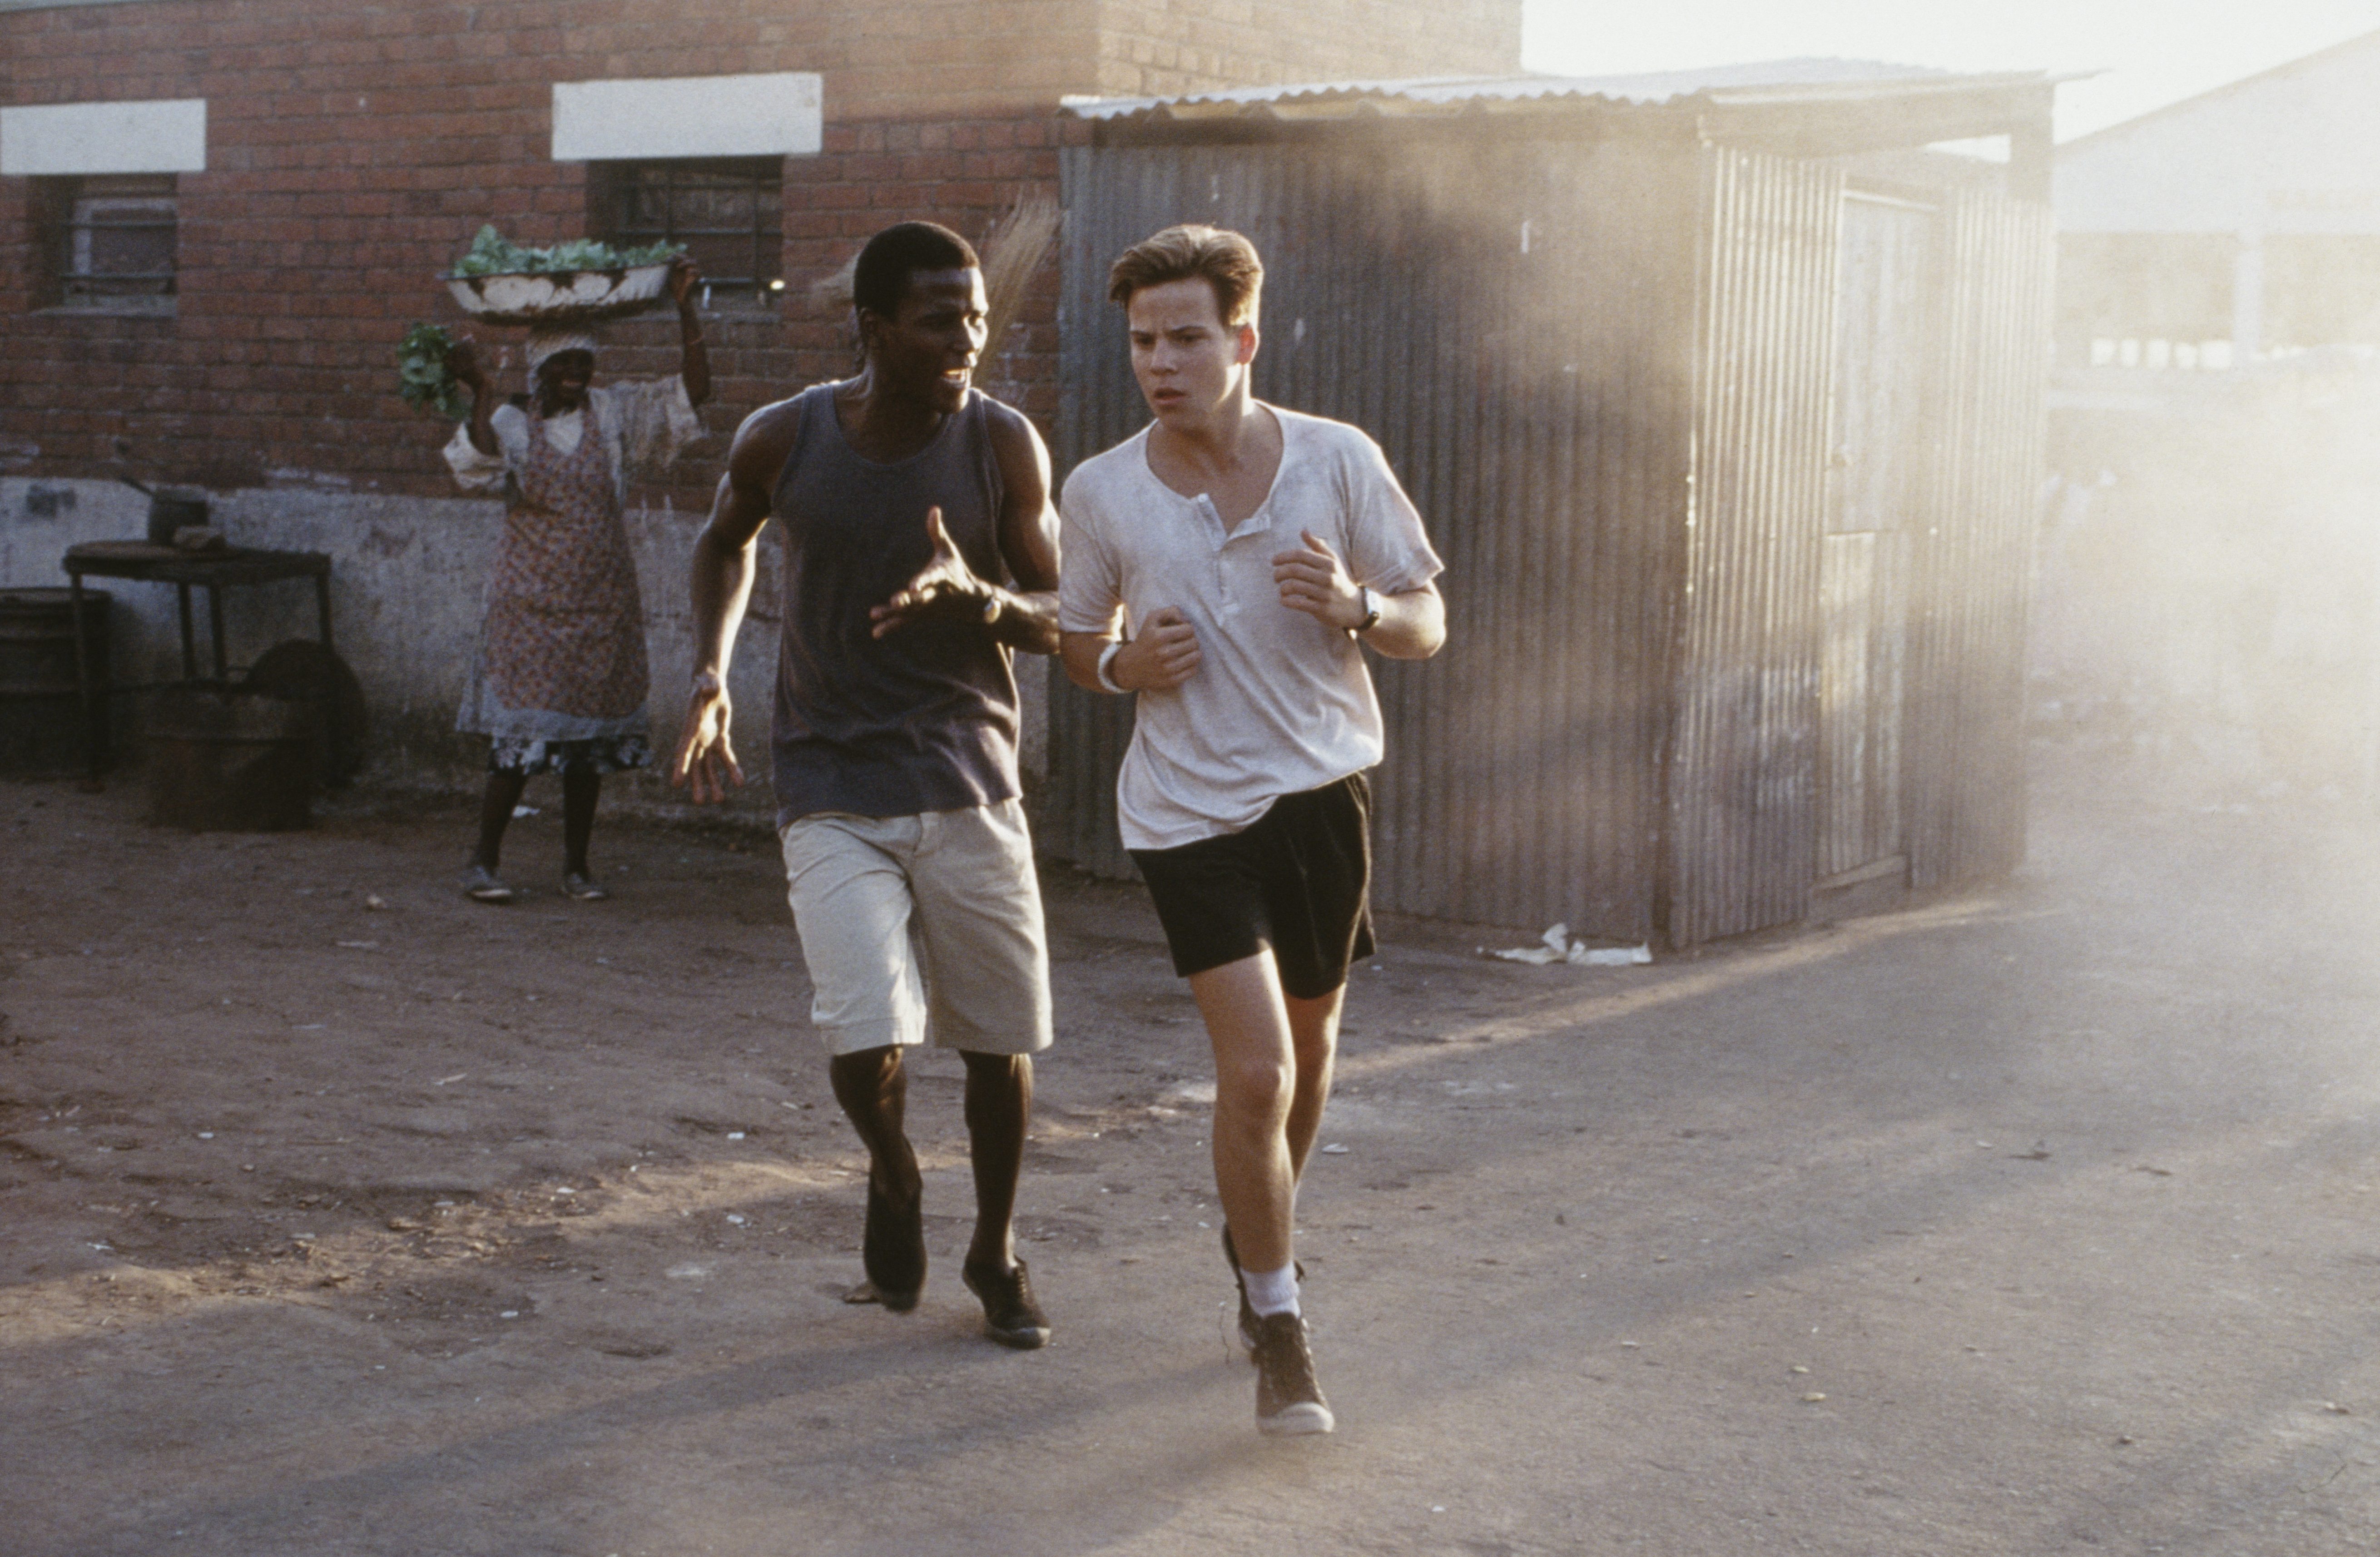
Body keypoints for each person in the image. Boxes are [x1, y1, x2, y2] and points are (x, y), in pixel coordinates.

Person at [1057, 224, 1446, 1435]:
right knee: (1259, 1069)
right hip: (1186, 812)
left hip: (1323, 792)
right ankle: (1279, 1324)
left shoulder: (1334, 460)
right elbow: (1075, 639)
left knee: (1312, 1060)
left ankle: (1253, 1224)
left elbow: (1425, 619)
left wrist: (1358, 605)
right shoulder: (1103, 489)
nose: (1160, 362)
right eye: (1141, 341)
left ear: (1243, 338)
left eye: (1185, 337)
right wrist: (1121, 663)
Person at [671, 221, 1062, 1349]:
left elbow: (1078, 617)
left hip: (969, 775)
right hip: (829, 774)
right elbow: (724, 540)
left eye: (978, 317)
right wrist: (710, 672)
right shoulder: (784, 435)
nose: (968, 340)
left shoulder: (1002, 445)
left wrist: (980, 601)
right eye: (941, 319)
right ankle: (893, 1172)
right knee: (866, 1032)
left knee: (999, 1043)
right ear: (873, 327)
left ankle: (994, 1247)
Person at [442, 259, 711, 904]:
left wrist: (685, 309)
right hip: (528, 606)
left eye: (583, 368)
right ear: (537, 374)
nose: (575, 379)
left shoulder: (614, 416)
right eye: (562, 370)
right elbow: (476, 465)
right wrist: (480, 391)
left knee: (586, 745)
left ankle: (576, 867)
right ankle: (483, 861)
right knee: (518, 743)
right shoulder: (511, 422)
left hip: (600, 601)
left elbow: (692, 394)